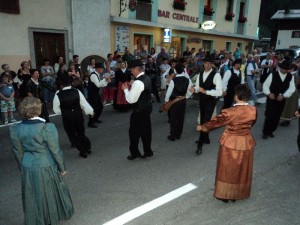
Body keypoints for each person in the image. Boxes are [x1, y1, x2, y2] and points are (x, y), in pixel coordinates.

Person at [10, 97, 74, 225]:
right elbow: (55, 150)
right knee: (48, 194)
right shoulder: (47, 127)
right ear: (38, 110)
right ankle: (51, 219)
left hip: (28, 164)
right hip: (46, 164)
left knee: (32, 194)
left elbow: (18, 151)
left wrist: (23, 167)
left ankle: (36, 220)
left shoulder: (15, 129)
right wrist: (62, 168)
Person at [196, 84, 257, 203]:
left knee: (227, 169)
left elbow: (216, 122)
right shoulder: (253, 110)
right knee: (241, 169)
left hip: (230, 142)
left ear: (236, 96)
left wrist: (202, 127)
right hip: (245, 141)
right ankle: (237, 193)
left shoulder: (230, 112)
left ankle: (225, 194)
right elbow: (252, 123)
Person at [53, 74, 94, 158]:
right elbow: (84, 103)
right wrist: (90, 112)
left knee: (72, 134)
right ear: (70, 83)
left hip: (67, 116)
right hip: (78, 114)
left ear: (61, 84)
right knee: (81, 132)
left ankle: (82, 151)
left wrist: (64, 111)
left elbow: (56, 110)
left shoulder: (58, 94)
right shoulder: (76, 91)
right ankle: (87, 147)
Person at [121, 59, 153, 160]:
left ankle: (135, 153)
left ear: (136, 70)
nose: (131, 72)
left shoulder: (138, 82)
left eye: (131, 70)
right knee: (146, 132)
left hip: (138, 111)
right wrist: (133, 85)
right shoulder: (146, 78)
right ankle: (148, 151)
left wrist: (125, 89)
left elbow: (131, 99)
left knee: (134, 134)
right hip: (146, 109)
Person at [194, 56, 222, 155]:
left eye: (210, 63)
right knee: (203, 120)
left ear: (212, 64)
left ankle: (199, 146)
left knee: (204, 122)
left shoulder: (216, 75)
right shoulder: (200, 74)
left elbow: (219, 92)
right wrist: (194, 89)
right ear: (204, 64)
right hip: (202, 101)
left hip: (211, 101)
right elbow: (197, 86)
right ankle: (206, 138)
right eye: (206, 63)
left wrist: (206, 91)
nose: (207, 65)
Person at [262, 60, 296, 139]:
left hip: (281, 100)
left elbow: (292, 88)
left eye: (286, 69)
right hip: (271, 98)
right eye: (284, 68)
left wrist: (284, 96)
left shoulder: (290, 76)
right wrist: (269, 94)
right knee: (269, 116)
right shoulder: (273, 74)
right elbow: (265, 85)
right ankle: (265, 132)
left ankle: (271, 131)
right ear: (281, 68)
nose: (285, 70)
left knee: (277, 116)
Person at [165, 63, 193, 141]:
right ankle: (178, 134)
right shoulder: (187, 80)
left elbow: (169, 92)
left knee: (173, 118)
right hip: (183, 100)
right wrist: (186, 96)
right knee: (181, 118)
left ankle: (172, 135)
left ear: (175, 70)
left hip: (174, 101)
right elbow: (191, 90)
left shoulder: (173, 80)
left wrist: (166, 101)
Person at [88, 62, 111, 128]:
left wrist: (106, 81)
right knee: (93, 108)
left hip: (96, 94)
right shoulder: (93, 75)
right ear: (97, 68)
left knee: (100, 106)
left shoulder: (97, 74)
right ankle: (90, 123)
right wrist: (105, 79)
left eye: (102, 68)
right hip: (92, 95)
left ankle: (95, 119)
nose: (102, 70)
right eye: (101, 68)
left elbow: (101, 84)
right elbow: (98, 85)